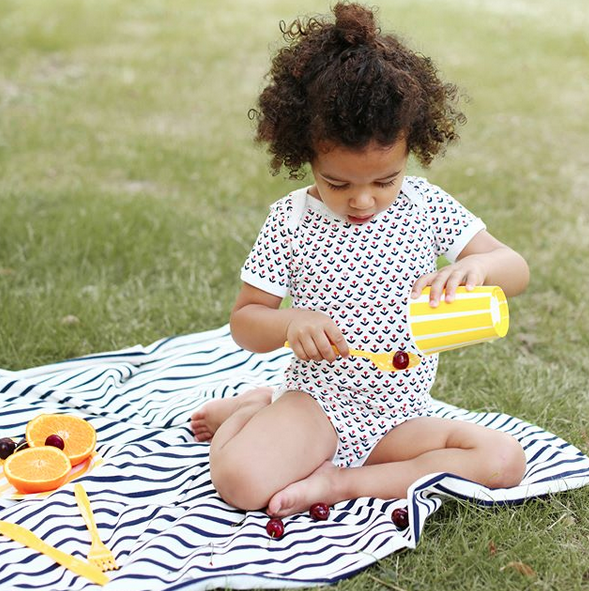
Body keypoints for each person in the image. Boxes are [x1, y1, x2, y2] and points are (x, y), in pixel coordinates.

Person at [190, 2, 529, 518]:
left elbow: (516, 269)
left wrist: (479, 268)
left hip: (401, 415)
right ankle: (256, 407)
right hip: (319, 404)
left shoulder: (426, 205)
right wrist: (289, 322)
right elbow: (244, 322)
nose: (363, 201)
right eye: (338, 183)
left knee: (504, 459)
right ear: (305, 155)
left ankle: (344, 482)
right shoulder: (292, 221)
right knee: (239, 482)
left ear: (411, 149)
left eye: (384, 180)